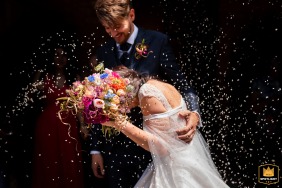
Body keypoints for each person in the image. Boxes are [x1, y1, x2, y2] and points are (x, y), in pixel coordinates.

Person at [91, 0, 201, 187]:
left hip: (153, 148)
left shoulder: (157, 42)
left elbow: (182, 84)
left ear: (131, 15)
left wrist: (195, 112)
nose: (113, 33)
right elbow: (97, 100)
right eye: (107, 28)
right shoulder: (104, 52)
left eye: (117, 26)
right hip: (115, 149)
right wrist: (95, 149)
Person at [102, 66, 229, 187]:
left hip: (177, 170)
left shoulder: (146, 94)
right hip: (188, 159)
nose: (115, 106)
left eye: (113, 99)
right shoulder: (159, 84)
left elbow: (161, 147)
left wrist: (119, 123)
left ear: (123, 93)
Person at [31, 46, 85, 188]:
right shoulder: (45, 76)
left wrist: (83, 125)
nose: (60, 58)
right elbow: (31, 90)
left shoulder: (74, 78)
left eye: (64, 55)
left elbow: (78, 104)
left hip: (68, 124)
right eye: (56, 55)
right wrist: (40, 70)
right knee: (49, 159)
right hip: (47, 125)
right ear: (51, 57)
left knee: (69, 159)